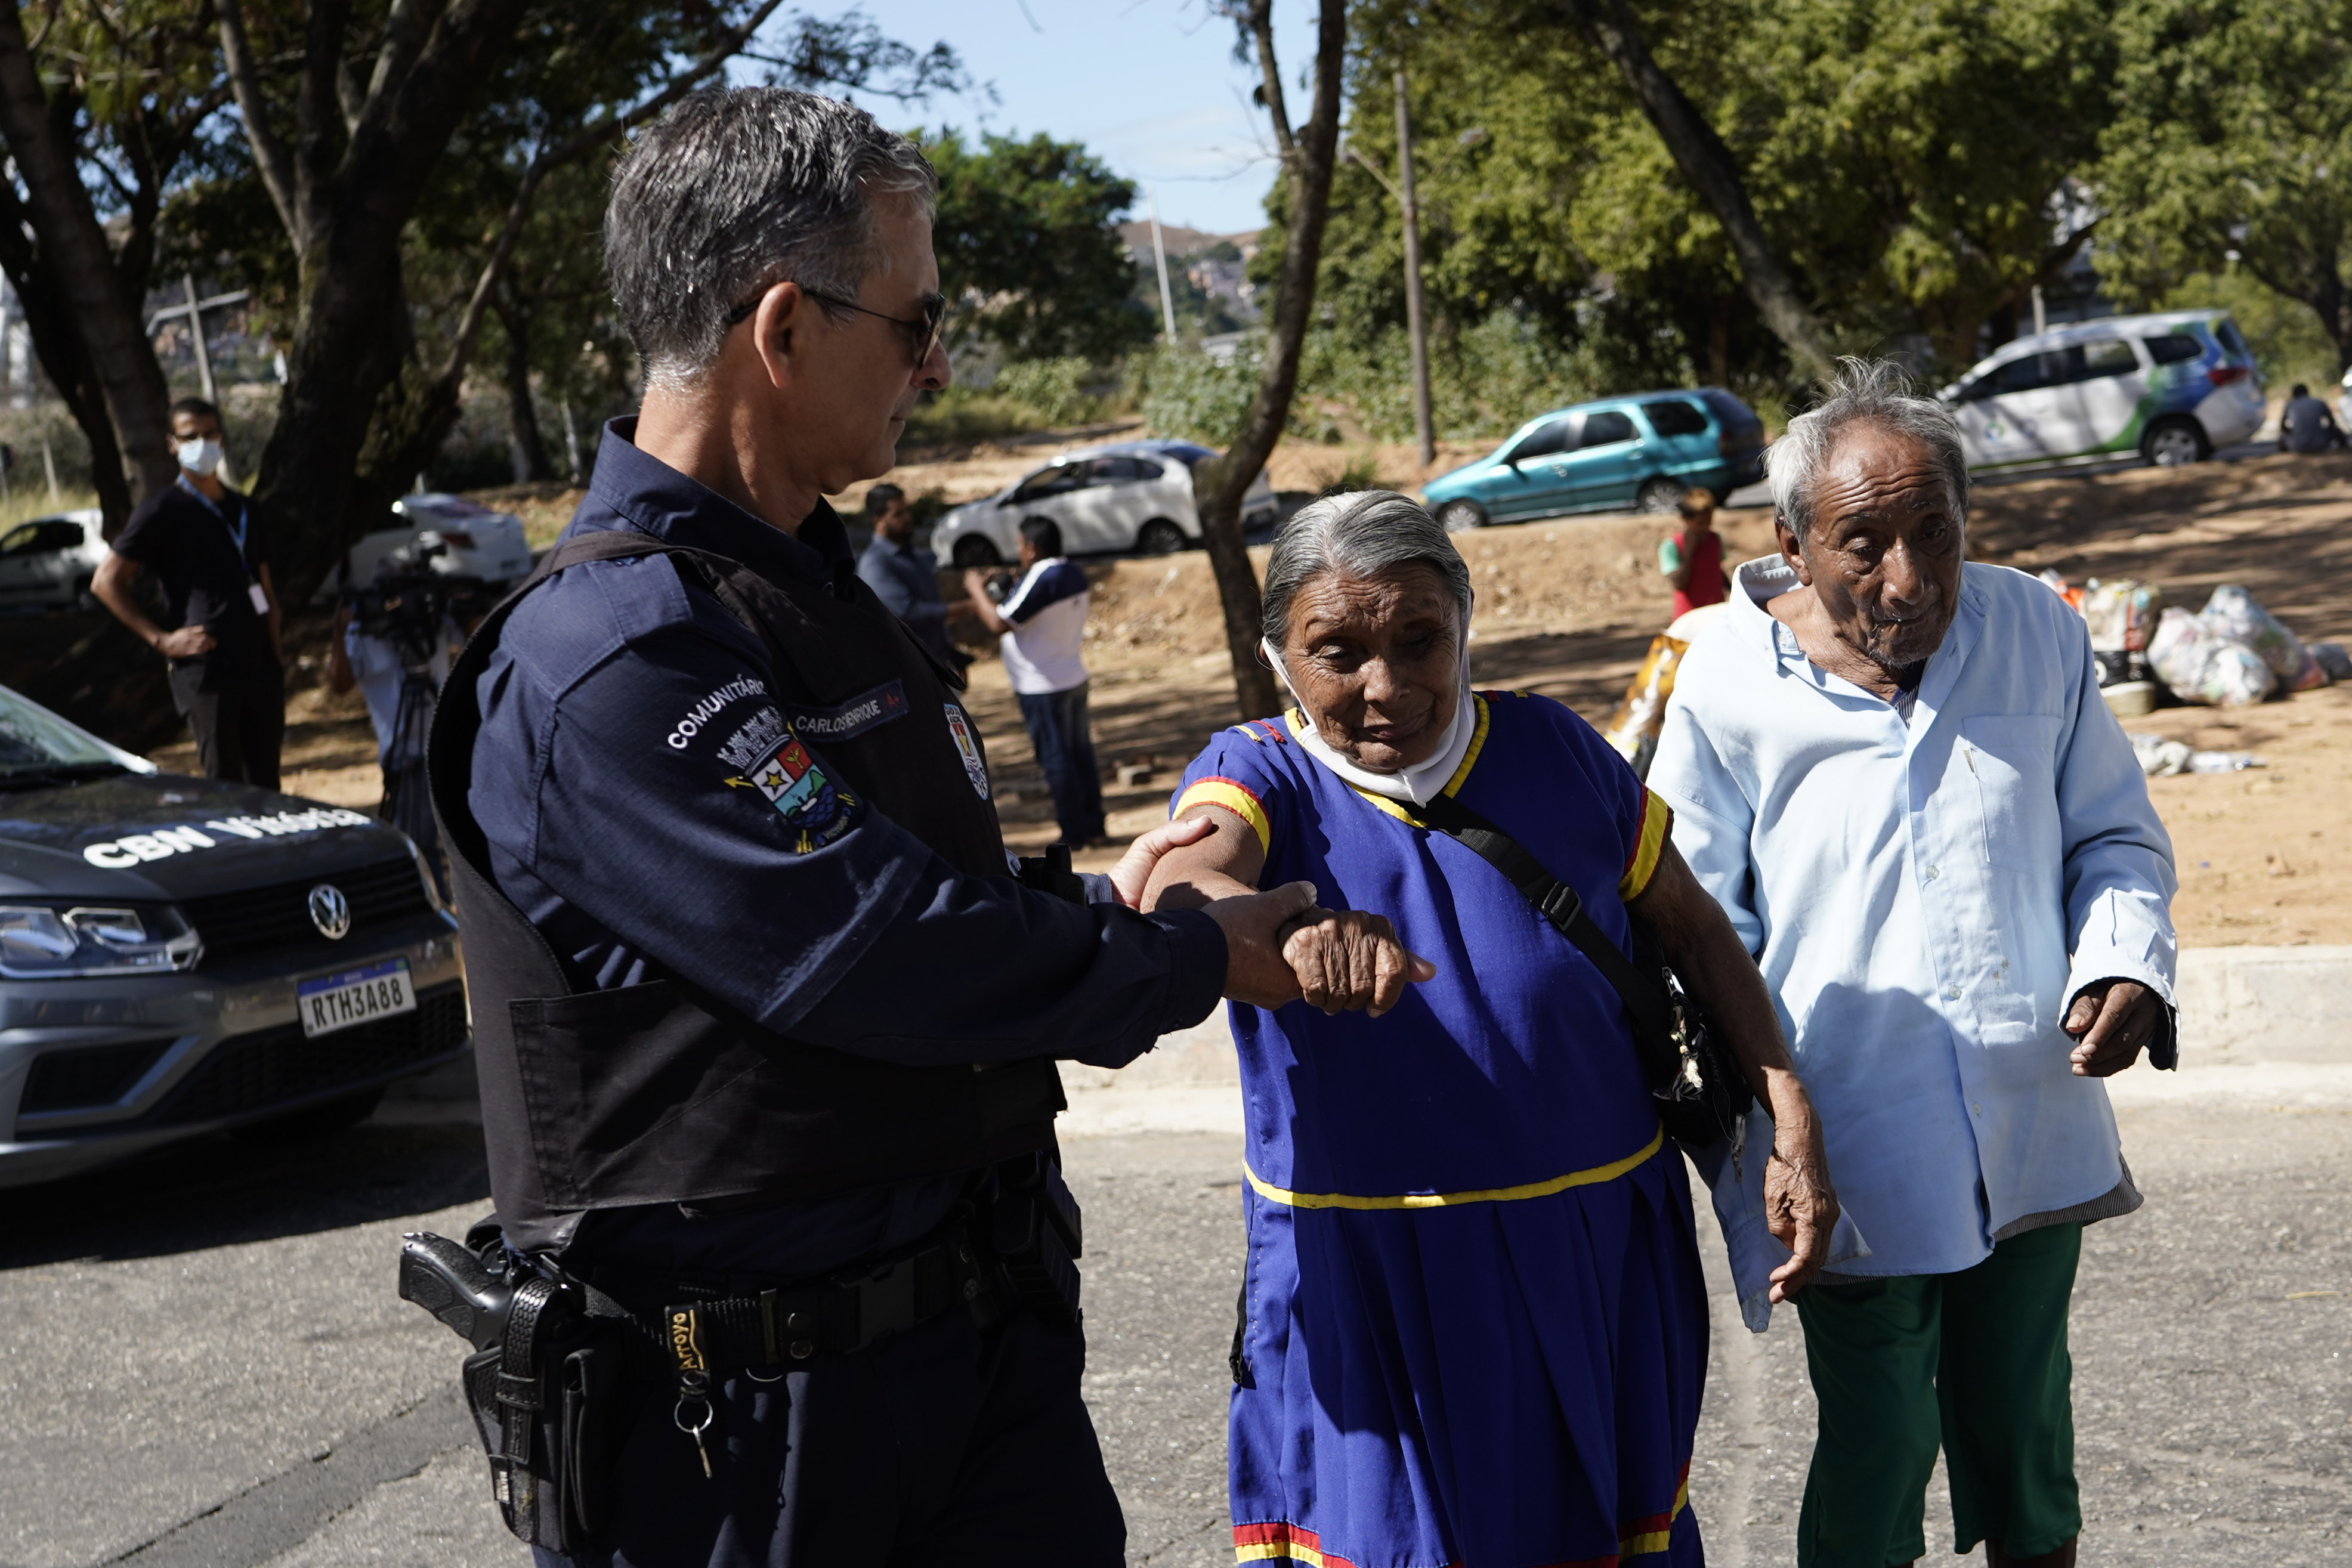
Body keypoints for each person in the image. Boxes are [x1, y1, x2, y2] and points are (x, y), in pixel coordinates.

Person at [425, 88, 1375, 1568]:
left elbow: (924, 894)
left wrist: (1099, 905)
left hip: (967, 1361)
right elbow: (879, 951)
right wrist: (1187, 955)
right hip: (751, 1433)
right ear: (784, 328)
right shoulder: (609, 659)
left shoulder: (807, 594)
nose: (938, 364)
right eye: (915, 321)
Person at [1138, 489, 1840, 1568]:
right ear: (1279, 654)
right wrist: (1280, 929)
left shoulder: (1552, 747)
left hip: (1594, 1250)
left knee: (1604, 1532)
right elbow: (1184, 882)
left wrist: (1785, 1103)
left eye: (1419, 638)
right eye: (1337, 650)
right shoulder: (1255, 775)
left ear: (1463, 620)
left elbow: (1693, 928)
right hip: (1376, 1266)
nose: (1385, 684)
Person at [1649, 359, 2180, 1568]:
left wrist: (2126, 961)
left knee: (2026, 1429)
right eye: (1863, 544)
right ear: (1791, 544)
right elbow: (1689, 921)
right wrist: (1770, 1120)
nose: (1908, 579)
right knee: (1881, 1438)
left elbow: (2112, 835)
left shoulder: (2036, 629)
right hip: (1847, 1135)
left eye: (1933, 534)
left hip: (2033, 1110)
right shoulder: (1725, 678)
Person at [92, 396, 284, 787]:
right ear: (172, 444)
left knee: (267, 786)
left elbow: (267, 589)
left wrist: (276, 658)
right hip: (208, 670)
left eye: (209, 433)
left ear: (222, 438)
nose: (202, 443)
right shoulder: (161, 510)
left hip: (260, 665)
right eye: (190, 436)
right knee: (225, 785)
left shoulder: (246, 509)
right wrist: (162, 640)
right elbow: (105, 581)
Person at [963, 516, 1105, 845]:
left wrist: (975, 590)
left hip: (1041, 684)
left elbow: (999, 623)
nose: (1019, 551)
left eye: (1020, 545)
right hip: (1070, 676)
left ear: (1031, 548)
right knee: (1079, 754)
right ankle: (1095, 825)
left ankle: (1074, 832)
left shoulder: (1043, 575)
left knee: (1056, 759)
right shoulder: (1071, 571)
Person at [855, 480, 962, 666]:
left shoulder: (910, 554)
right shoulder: (875, 563)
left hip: (937, 662)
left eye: (907, 511)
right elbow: (907, 612)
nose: (908, 518)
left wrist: (950, 653)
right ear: (878, 521)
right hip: (909, 669)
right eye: (898, 514)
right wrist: (967, 607)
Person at [1658, 485, 1729, 618]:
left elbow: (1716, 569)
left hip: (1716, 615)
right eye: (1700, 523)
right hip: (1689, 619)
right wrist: (1689, 551)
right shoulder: (1671, 546)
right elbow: (1679, 584)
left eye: (1709, 521)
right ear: (1685, 519)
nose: (1705, 528)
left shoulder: (1714, 539)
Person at [2277, 381, 2345, 453]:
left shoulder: (2290, 405)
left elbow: (2283, 427)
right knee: (2337, 430)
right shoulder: (2319, 402)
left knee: (2283, 436)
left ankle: (2284, 454)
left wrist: (2295, 431)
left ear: (2294, 394)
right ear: (2307, 392)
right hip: (2321, 444)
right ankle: (2345, 450)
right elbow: (2332, 422)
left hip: (2299, 446)